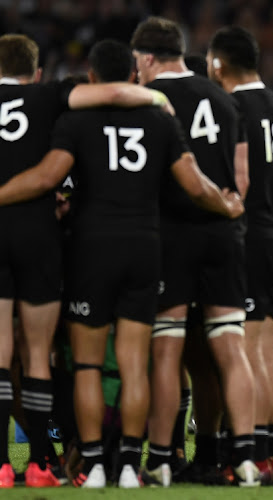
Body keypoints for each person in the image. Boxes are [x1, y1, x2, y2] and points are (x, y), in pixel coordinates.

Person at [0, 39, 244, 488]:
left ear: (91, 76)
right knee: (136, 363)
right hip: (145, 248)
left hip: (90, 250)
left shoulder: (74, 121)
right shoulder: (159, 119)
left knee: (81, 365)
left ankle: (91, 464)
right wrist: (228, 206)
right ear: (132, 75)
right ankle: (132, 465)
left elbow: (49, 176)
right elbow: (194, 183)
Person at [130, 16, 257, 487]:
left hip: (171, 233)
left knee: (166, 352)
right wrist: (228, 210)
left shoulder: (151, 102)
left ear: (145, 58)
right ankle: (242, 457)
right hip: (225, 235)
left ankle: (161, 460)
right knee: (229, 346)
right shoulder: (224, 98)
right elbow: (241, 179)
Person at [207, 26, 273, 485]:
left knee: (245, 353)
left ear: (217, 64)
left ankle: (245, 458)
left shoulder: (228, 109)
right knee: (269, 351)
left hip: (244, 239)